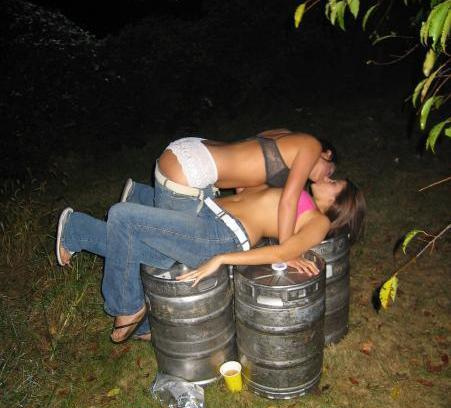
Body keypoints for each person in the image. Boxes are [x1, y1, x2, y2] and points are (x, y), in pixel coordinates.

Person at [56, 176, 365, 344]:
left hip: (221, 235)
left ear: (337, 202)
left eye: (334, 183)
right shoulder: (298, 191)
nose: (328, 178)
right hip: (210, 212)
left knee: (123, 218)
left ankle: (126, 306)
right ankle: (80, 228)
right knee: (152, 255)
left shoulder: (319, 221)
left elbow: (283, 252)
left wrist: (221, 258)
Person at [123, 129, 336, 247]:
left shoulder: (285, 136)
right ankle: (133, 210)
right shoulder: (311, 145)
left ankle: (139, 195)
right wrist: (287, 249)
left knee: (180, 230)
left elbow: (244, 179)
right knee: (169, 250)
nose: (326, 177)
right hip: (194, 167)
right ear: (327, 154)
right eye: (330, 172)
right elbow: (289, 200)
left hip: (196, 149)